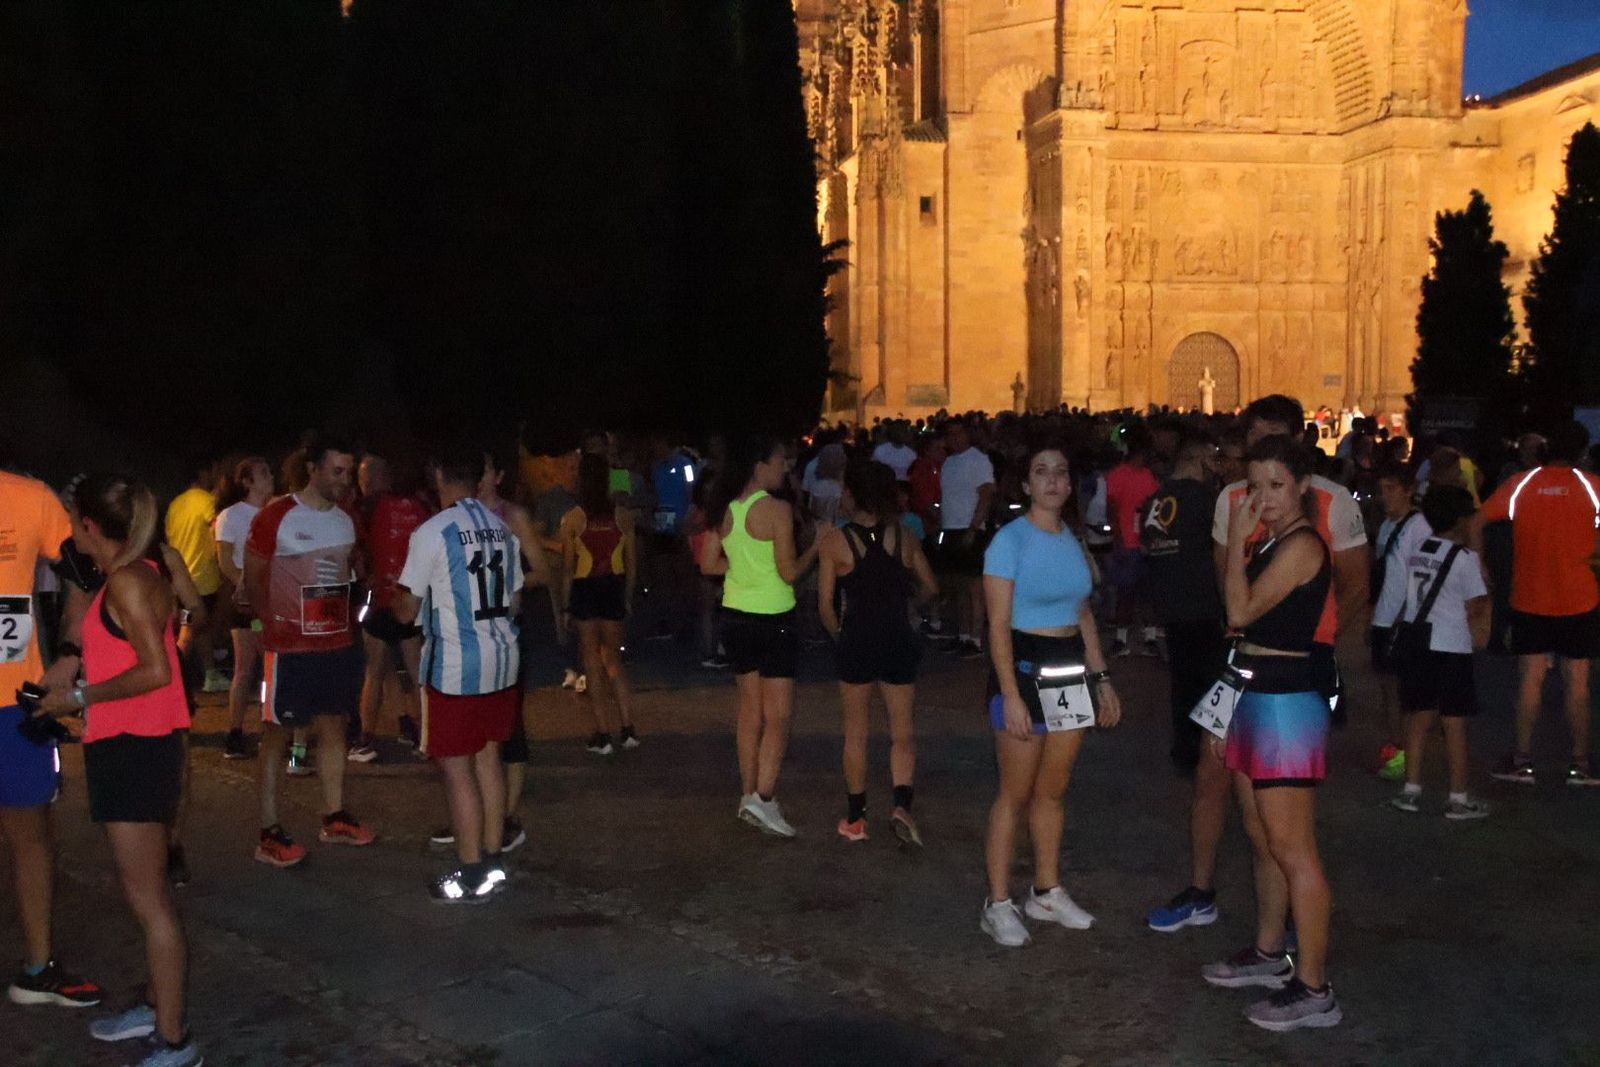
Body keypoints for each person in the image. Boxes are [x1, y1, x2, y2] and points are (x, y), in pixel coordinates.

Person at [37, 474, 199, 1065]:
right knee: (149, 893)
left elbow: (157, 671)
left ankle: (175, 1040)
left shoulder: (130, 581)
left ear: (87, 524)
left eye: (72, 520)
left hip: (135, 749)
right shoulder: (135, 573)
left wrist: (78, 700)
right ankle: (160, 1009)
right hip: (135, 746)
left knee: (149, 900)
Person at [1202, 436, 1340, 1032]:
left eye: (1277, 485)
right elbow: (1242, 633)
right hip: (1253, 692)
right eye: (1255, 486)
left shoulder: (1303, 546)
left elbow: (1238, 610)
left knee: (1294, 849)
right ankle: (1268, 953)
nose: (1264, 498)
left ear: (1303, 485)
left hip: (1286, 703)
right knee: (1261, 839)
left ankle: (1314, 988)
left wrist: (1235, 541)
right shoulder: (1276, 540)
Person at [978, 440, 1121, 947]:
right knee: (1014, 794)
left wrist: (1101, 679)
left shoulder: (1072, 539)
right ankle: (997, 902)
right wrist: (1012, 695)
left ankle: (1045, 890)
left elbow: (1082, 614)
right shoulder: (1008, 542)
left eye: (1061, 472)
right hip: (1022, 669)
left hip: (1069, 671)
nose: (1053, 481)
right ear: (1026, 484)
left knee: (1052, 791)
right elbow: (995, 625)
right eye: (1042, 472)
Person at [395, 445, 524, 901]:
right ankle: (492, 858)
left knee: (456, 769)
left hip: (455, 665)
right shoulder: (501, 528)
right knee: (490, 758)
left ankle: (469, 872)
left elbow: (407, 605)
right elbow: (515, 599)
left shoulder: (433, 531)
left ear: (439, 475)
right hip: (502, 659)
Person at [245, 434, 376, 867]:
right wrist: (270, 623)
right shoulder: (277, 515)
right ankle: (268, 830)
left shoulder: (345, 519)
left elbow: (350, 568)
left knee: (335, 725)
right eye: (336, 472)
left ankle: (333, 816)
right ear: (313, 470)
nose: (344, 481)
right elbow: (254, 575)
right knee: (277, 734)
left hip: (336, 642)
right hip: (290, 647)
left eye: (348, 472)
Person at [1, 463, 103, 1009]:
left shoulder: (25, 498)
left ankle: (38, 970)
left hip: (9, 708)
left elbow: (88, 568)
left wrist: (70, 652)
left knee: (31, 836)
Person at [699, 436, 819, 838]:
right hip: (774, 617)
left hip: (735, 615)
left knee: (749, 710)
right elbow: (788, 573)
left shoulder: (726, 509)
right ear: (759, 465)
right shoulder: (777, 510)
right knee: (779, 716)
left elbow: (707, 562)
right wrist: (814, 548)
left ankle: (748, 792)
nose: (785, 468)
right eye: (780, 461)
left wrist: (742, 569)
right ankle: (764, 799)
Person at [1473, 419, 1600, 787]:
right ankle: (1580, 763)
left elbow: (1477, 521)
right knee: (1578, 683)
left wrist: (1480, 564)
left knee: (1530, 679)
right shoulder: (1592, 488)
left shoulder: (1522, 484)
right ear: (1581, 452)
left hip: (1529, 597)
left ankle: (1522, 759)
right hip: (1579, 598)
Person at [817, 460, 937, 845]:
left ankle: (856, 818)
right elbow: (931, 586)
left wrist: (840, 634)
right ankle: (902, 804)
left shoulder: (836, 541)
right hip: (897, 636)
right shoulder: (904, 537)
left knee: (856, 730)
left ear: (854, 494)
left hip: (857, 639)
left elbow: (824, 605)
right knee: (901, 731)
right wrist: (912, 606)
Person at [1389, 486, 1491, 819]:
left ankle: (1411, 790)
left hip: (1419, 645)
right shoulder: (1464, 559)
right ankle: (1458, 797)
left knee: (1418, 719)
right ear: (1461, 520)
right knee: (1454, 725)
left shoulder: (1420, 549)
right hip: (1451, 648)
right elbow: (1477, 604)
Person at [1140, 431, 1224, 776]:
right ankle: (1209, 751)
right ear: (1195, 460)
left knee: (1183, 682)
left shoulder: (1155, 501)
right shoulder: (1205, 499)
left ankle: (1186, 751)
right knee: (1212, 683)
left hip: (1172, 606)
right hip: (1204, 605)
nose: (1216, 466)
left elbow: (1151, 549)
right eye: (1211, 459)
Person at [560, 452, 639, 755]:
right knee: (614, 661)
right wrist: (628, 597)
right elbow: (631, 564)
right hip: (613, 587)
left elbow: (568, 568)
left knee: (591, 662)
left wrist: (566, 607)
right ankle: (628, 728)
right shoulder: (622, 516)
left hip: (585, 589)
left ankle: (602, 733)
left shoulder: (574, 518)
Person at [352, 456, 429, 761]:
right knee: (415, 670)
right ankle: (426, 736)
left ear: (369, 480)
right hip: (411, 597)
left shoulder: (367, 509)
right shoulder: (417, 506)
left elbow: (358, 551)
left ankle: (365, 739)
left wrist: (363, 577)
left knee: (374, 671)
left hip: (380, 597)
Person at [1369, 465, 1428, 782]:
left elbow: (1419, 577)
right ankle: (1397, 747)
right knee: (1388, 689)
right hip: (1383, 617)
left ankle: (1404, 752)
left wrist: (1405, 618)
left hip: (1401, 620)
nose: (1384, 496)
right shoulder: (1388, 526)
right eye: (1382, 489)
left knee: (1401, 692)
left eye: (1391, 488)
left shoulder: (1418, 527)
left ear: (1407, 490)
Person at [213, 456, 274, 760]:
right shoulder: (231, 515)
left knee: (270, 668)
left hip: (272, 598)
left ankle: (269, 730)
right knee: (247, 666)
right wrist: (246, 585)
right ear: (246, 482)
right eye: (263, 473)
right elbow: (224, 559)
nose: (270, 477)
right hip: (247, 603)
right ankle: (235, 732)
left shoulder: (276, 511)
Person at [163, 460, 227, 695]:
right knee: (190, 630)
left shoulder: (174, 505)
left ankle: (209, 673)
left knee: (198, 629)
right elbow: (217, 529)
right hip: (203, 578)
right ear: (204, 472)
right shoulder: (206, 501)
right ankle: (170, 675)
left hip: (181, 577)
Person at [935, 419, 995, 658]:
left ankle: (976, 639)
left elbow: (986, 495)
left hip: (970, 529)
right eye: (950, 435)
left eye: (958, 434)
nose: (954, 439)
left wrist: (973, 528)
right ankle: (962, 635)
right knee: (958, 585)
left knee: (974, 587)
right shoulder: (949, 463)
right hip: (950, 528)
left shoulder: (978, 460)